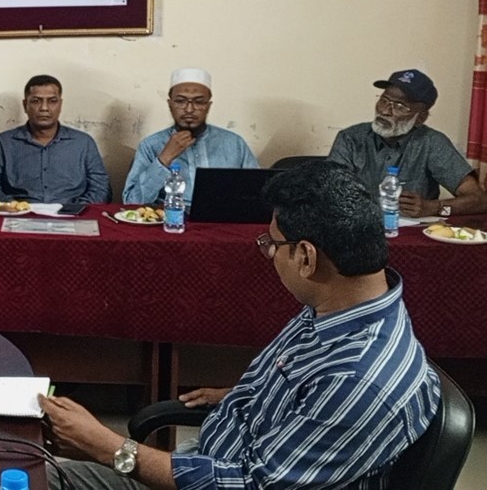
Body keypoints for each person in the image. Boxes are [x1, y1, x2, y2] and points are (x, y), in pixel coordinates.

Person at [40, 161, 440, 489]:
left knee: (27, 480)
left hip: (225, 480)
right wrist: (248, 396)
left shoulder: (357, 380)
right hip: (210, 460)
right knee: (30, 472)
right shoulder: (345, 304)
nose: (268, 255)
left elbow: (251, 484)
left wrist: (108, 447)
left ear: (306, 257)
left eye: (272, 244)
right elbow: (307, 393)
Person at [328, 69, 487, 217]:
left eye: (400, 106)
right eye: (384, 100)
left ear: (420, 118)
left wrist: (433, 207)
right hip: (357, 228)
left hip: (413, 232)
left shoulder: (432, 143)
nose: (385, 111)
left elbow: (479, 201)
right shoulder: (351, 138)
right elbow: (328, 192)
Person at [123, 68, 258, 205]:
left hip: (223, 216)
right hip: (169, 216)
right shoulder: (151, 145)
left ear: (208, 106)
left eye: (198, 102)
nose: (189, 109)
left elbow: (258, 194)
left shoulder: (234, 144)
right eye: (180, 101)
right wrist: (164, 159)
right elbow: (131, 202)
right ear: (170, 105)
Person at [0, 75, 110, 204]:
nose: (44, 108)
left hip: (73, 215)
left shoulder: (83, 143)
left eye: (52, 101)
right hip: (19, 215)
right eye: (36, 101)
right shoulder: (3, 143)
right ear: (25, 105)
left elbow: (101, 189)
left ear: (60, 105)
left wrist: (77, 208)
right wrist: (13, 206)